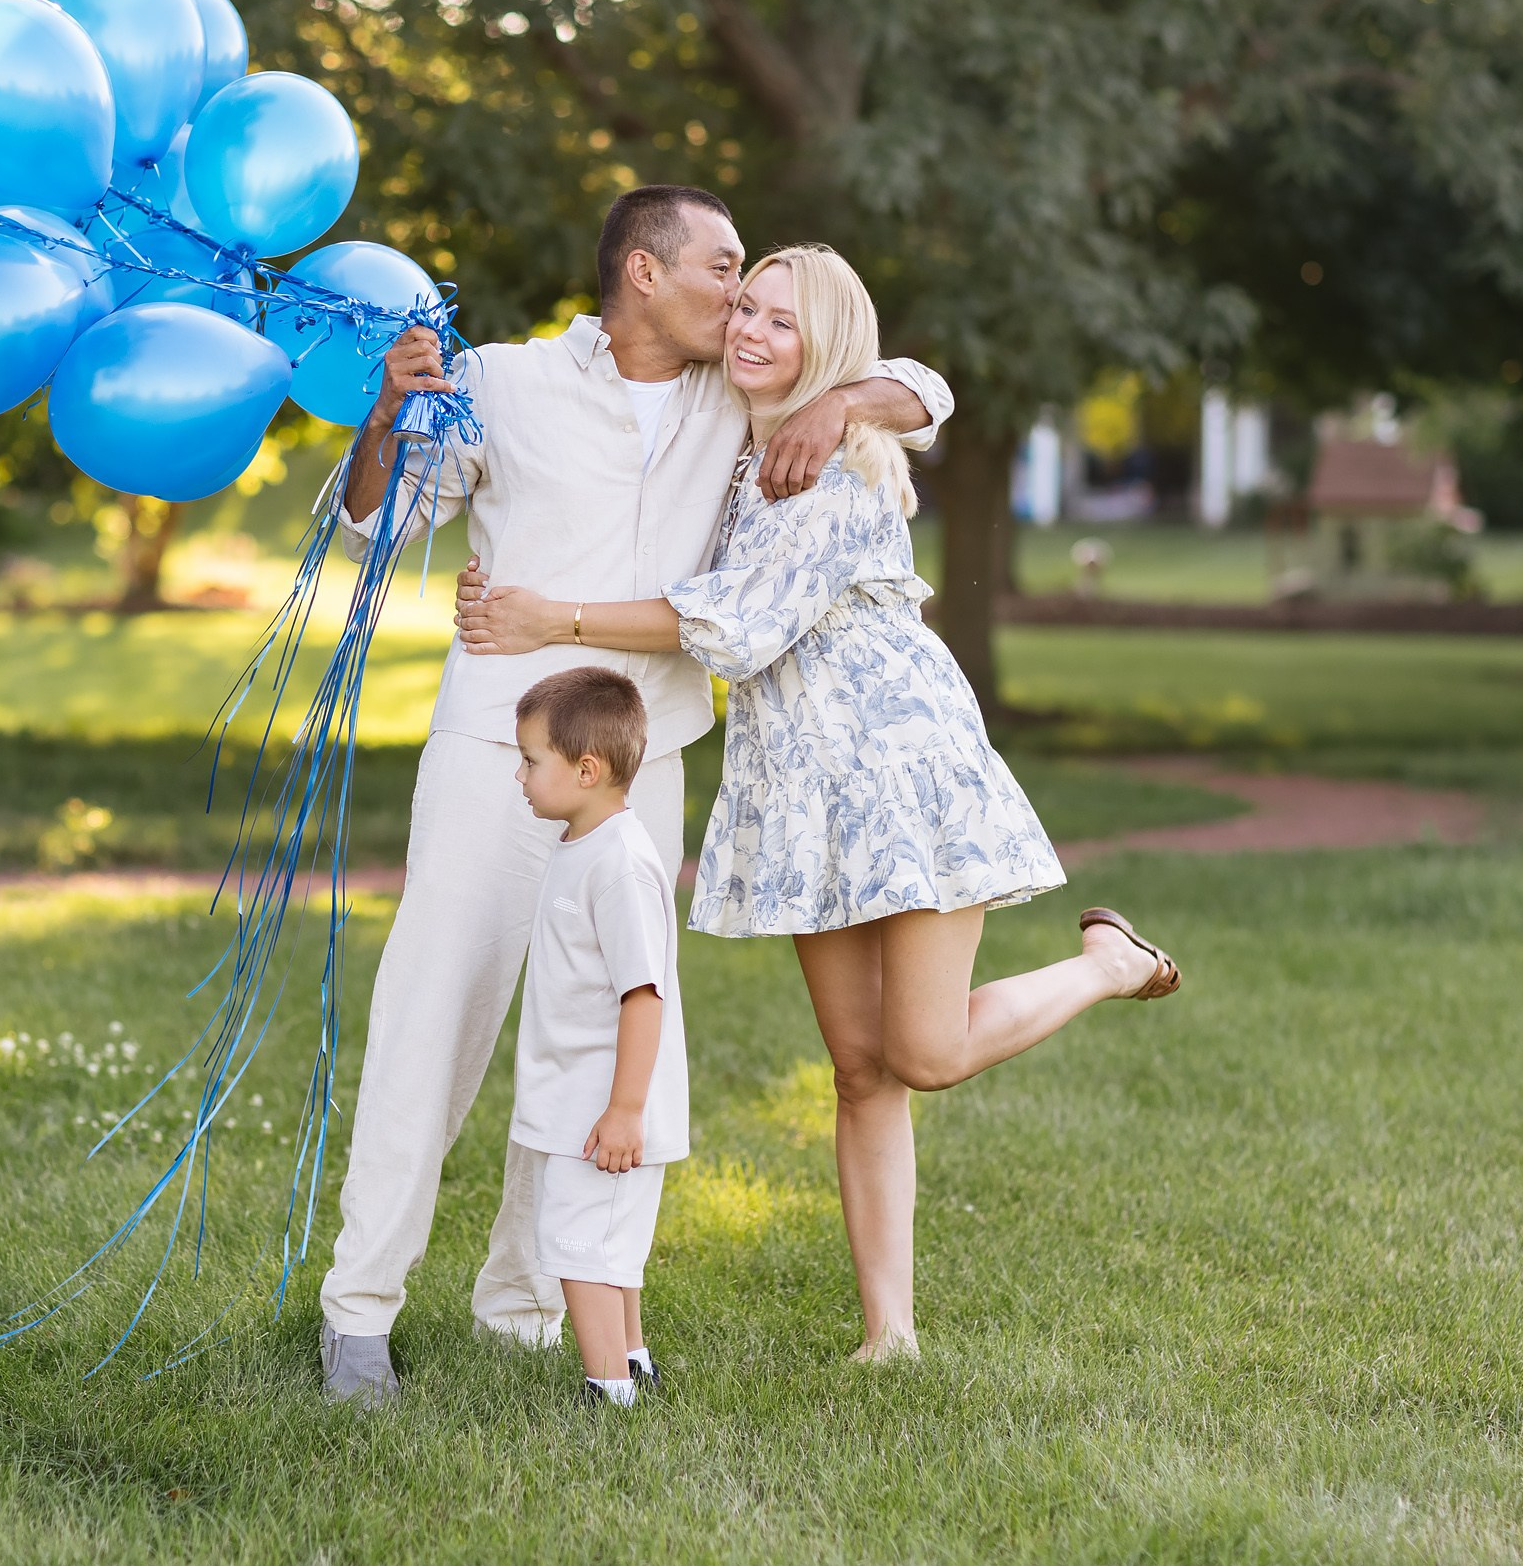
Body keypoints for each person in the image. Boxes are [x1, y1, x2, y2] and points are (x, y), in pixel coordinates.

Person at [456, 245, 1180, 1362]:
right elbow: (914, 394)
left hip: (897, 769)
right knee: (858, 1069)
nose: (748, 329)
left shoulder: (835, 459)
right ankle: (887, 1332)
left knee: (924, 1052)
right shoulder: (745, 453)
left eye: (783, 323)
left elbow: (739, 624)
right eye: (743, 305)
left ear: (830, 348)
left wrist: (555, 620)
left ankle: (1105, 964)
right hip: (798, 791)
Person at [317, 185, 953, 1402]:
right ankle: (359, 1313)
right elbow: (372, 528)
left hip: (647, 762)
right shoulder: (500, 380)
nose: (742, 292)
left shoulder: (745, 394)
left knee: (607, 1038)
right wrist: (390, 410)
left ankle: (527, 1302)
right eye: (724, 266)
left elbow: (926, 387)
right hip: (495, 750)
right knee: (434, 1016)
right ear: (645, 275)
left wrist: (835, 398)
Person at [506, 667, 686, 1409]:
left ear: (586, 769)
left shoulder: (618, 863)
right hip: (579, 1095)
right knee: (606, 1245)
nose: (518, 774)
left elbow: (643, 994)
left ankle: (607, 1390)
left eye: (529, 759)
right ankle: (632, 1362)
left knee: (580, 1246)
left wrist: (624, 1110)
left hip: (603, 1107)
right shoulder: (585, 843)